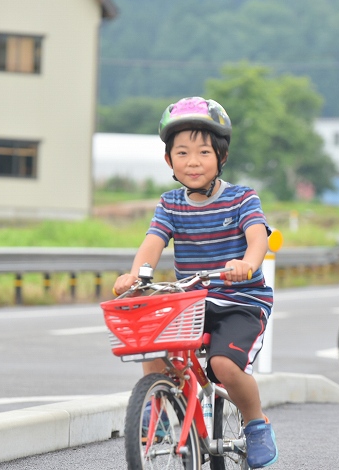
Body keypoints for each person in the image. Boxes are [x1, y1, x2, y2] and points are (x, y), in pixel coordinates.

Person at [112, 96, 279, 468]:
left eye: (203, 152)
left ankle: (255, 423)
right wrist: (134, 276)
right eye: (182, 153)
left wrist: (248, 265)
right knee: (152, 339)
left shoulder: (241, 198)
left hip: (241, 301)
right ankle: (155, 411)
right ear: (169, 160)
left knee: (224, 365)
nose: (192, 161)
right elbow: (152, 244)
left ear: (221, 157)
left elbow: (258, 239)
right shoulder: (171, 204)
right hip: (193, 300)